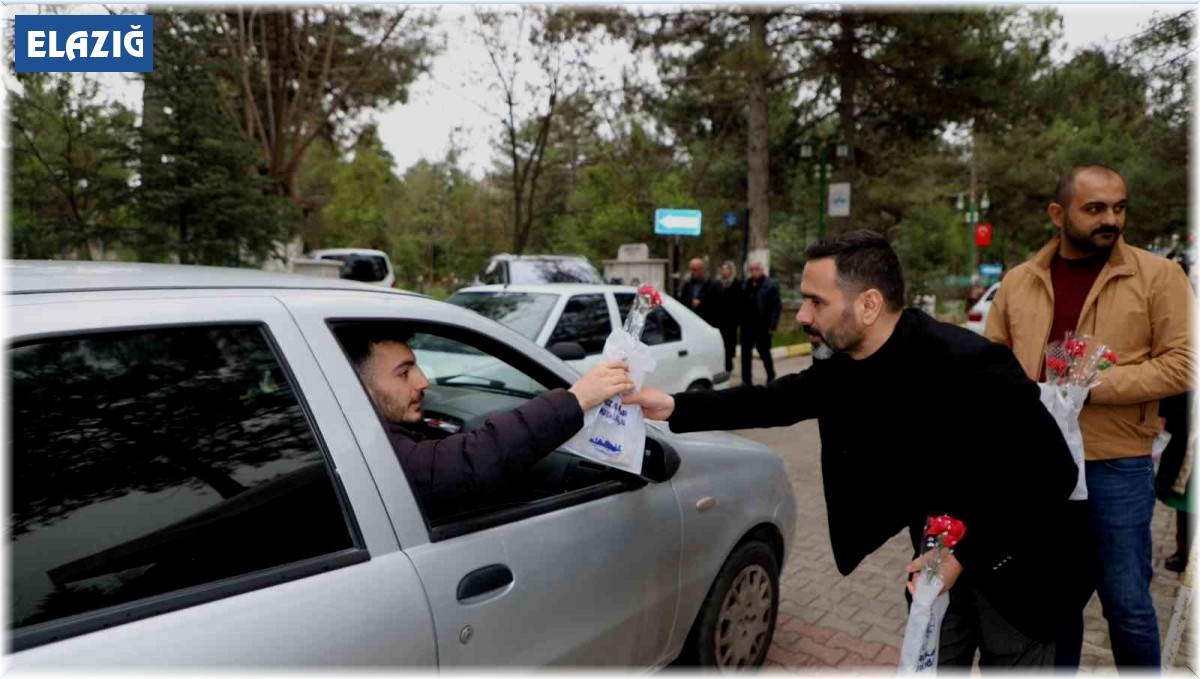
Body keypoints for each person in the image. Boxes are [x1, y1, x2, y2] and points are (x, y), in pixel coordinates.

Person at [626, 231, 1081, 668]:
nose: (802, 315)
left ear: (869, 305)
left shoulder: (969, 362)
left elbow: (1054, 472)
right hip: (934, 564)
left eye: (816, 301)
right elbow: (775, 399)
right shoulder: (844, 366)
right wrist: (670, 406)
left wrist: (964, 556)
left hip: (1017, 569)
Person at [984, 164, 1195, 668]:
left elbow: (1185, 363)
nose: (1111, 219)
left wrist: (1089, 389)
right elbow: (990, 362)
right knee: (1057, 604)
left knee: (1127, 605)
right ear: (1058, 214)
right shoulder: (1018, 281)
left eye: (1119, 207)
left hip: (1116, 464)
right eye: (1095, 208)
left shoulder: (1159, 276)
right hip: (1039, 468)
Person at [336, 325, 634, 520]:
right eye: (404, 373)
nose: (424, 382)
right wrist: (575, 400)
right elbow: (465, 463)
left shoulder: (338, 433)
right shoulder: (368, 451)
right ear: (359, 387)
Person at [739, 260, 782, 385]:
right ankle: (746, 381)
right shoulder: (746, 284)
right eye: (751, 269)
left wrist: (773, 325)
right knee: (745, 354)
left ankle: (771, 375)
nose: (753, 272)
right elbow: (741, 304)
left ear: (762, 270)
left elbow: (777, 307)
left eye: (756, 269)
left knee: (764, 352)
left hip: (763, 326)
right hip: (747, 326)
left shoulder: (770, 285)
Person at [715, 261, 743, 374]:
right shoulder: (718, 284)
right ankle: (724, 364)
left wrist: (735, 317)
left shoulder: (737, 284)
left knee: (729, 343)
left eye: (727, 269)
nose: (724, 271)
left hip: (731, 320)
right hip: (720, 319)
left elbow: (739, 302)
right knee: (720, 342)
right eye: (723, 269)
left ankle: (728, 365)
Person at [677, 258, 722, 327]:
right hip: (690, 322)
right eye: (691, 269)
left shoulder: (713, 285)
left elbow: (718, 305)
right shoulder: (688, 284)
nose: (692, 272)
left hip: (706, 323)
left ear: (702, 270)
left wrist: (701, 303)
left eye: (694, 269)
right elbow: (682, 301)